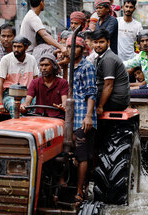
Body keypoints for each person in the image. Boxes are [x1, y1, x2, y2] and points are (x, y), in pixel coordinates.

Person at [65, 35, 97, 203]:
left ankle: (80, 190)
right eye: (69, 46)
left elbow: (91, 93)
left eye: (75, 47)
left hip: (82, 116)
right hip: (69, 116)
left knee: (82, 155)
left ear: (83, 49)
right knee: (67, 153)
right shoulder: (68, 66)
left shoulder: (87, 67)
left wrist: (88, 116)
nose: (72, 50)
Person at [0, 36, 39, 118]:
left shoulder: (32, 59)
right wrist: (0, 103)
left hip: (28, 94)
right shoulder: (6, 59)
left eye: (19, 47)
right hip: (10, 94)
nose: (16, 49)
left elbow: (36, 80)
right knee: (14, 106)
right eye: (14, 46)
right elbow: (0, 82)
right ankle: (20, 129)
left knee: (38, 107)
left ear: (26, 47)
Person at [92, 29, 130, 114]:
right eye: (95, 42)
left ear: (108, 43)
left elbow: (109, 85)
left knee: (85, 101)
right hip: (114, 98)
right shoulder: (100, 57)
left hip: (116, 101)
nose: (98, 45)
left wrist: (100, 106)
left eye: (101, 42)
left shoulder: (108, 59)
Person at [20, 53, 68, 118]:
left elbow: (64, 102)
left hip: (57, 118)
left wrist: (62, 106)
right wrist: (23, 106)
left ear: (54, 66)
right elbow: (27, 101)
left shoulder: (63, 82)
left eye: (46, 65)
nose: (43, 68)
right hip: (39, 117)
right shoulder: (35, 82)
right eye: (41, 65)